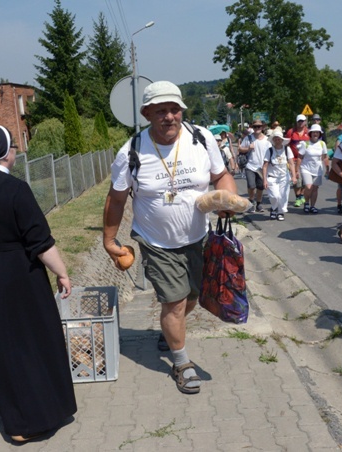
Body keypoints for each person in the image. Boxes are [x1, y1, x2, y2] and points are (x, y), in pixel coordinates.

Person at [103, 81, 237, 394]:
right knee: (175, 302)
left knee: (191, 297)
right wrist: (109, 241)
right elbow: (116, 199)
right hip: (157, 242)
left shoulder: (201, 138)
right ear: (146, 113)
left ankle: (169, 329)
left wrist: (228, 198)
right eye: (161, 110)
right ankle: (182, 362)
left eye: (174, 109)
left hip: (198, 237)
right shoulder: (132, 151)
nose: (169, 117)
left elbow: (221, 175)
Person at [0, 125, 76, 442]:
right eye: (15, 145)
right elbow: (41, 242)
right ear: (5, 152)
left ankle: (11, 413)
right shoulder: (14, 190)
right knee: (29, 344)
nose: (17, 151)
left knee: (0, 346)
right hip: (19, 275)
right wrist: (62, 272)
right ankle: (29, 420)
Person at [263, 129, 297, 221]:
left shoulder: (287, 149)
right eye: (275, 139)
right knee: (275, 196)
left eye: (279, 139)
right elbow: (265, 166)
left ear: (282, 140)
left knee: (283, 196)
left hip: (284, 177)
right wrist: (265, 180)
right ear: (273, 140)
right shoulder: (269, 151)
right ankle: (274, 208)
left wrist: (293, 176)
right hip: (272, 177)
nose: (277, 140)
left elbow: (291, 163)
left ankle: (280, 212)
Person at [298, 124, 329, 214]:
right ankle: (306, 203)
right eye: (314, 132)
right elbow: (300, 157)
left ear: (320, 134)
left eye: (317, 132)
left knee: (315, 188)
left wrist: (327, 168)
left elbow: (325, 157)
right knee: (308, 186)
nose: (315, 134)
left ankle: (312, 206)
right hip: (306, 168)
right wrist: (297, 170)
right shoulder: (305, 144)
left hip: (317, 169)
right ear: (310, 133)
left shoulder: (322, 144)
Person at [246, 120, 270, 212]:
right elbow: (240, 149)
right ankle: (251, 201)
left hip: (262, 167)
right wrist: (248, 148)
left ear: (262, 127)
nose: (257, 128)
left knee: (260, 187)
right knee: (251, 186)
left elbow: (271, 152)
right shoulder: (248, 138)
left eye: (259, 127)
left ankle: (259, 204)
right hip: (250, 166)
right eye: (255, 127)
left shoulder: (267, 140)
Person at [286, 114, 310, 206]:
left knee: (305, 180)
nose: (301, 123)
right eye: (299, 121)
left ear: (305, 122)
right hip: (294, 159)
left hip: (306, 160)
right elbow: (287, 145)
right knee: (296, 179)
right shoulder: (291, 132)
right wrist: (288, 158)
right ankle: (297, 197)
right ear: (296, 122)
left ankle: (302, 195)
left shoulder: (308, 132)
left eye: (302, 121)